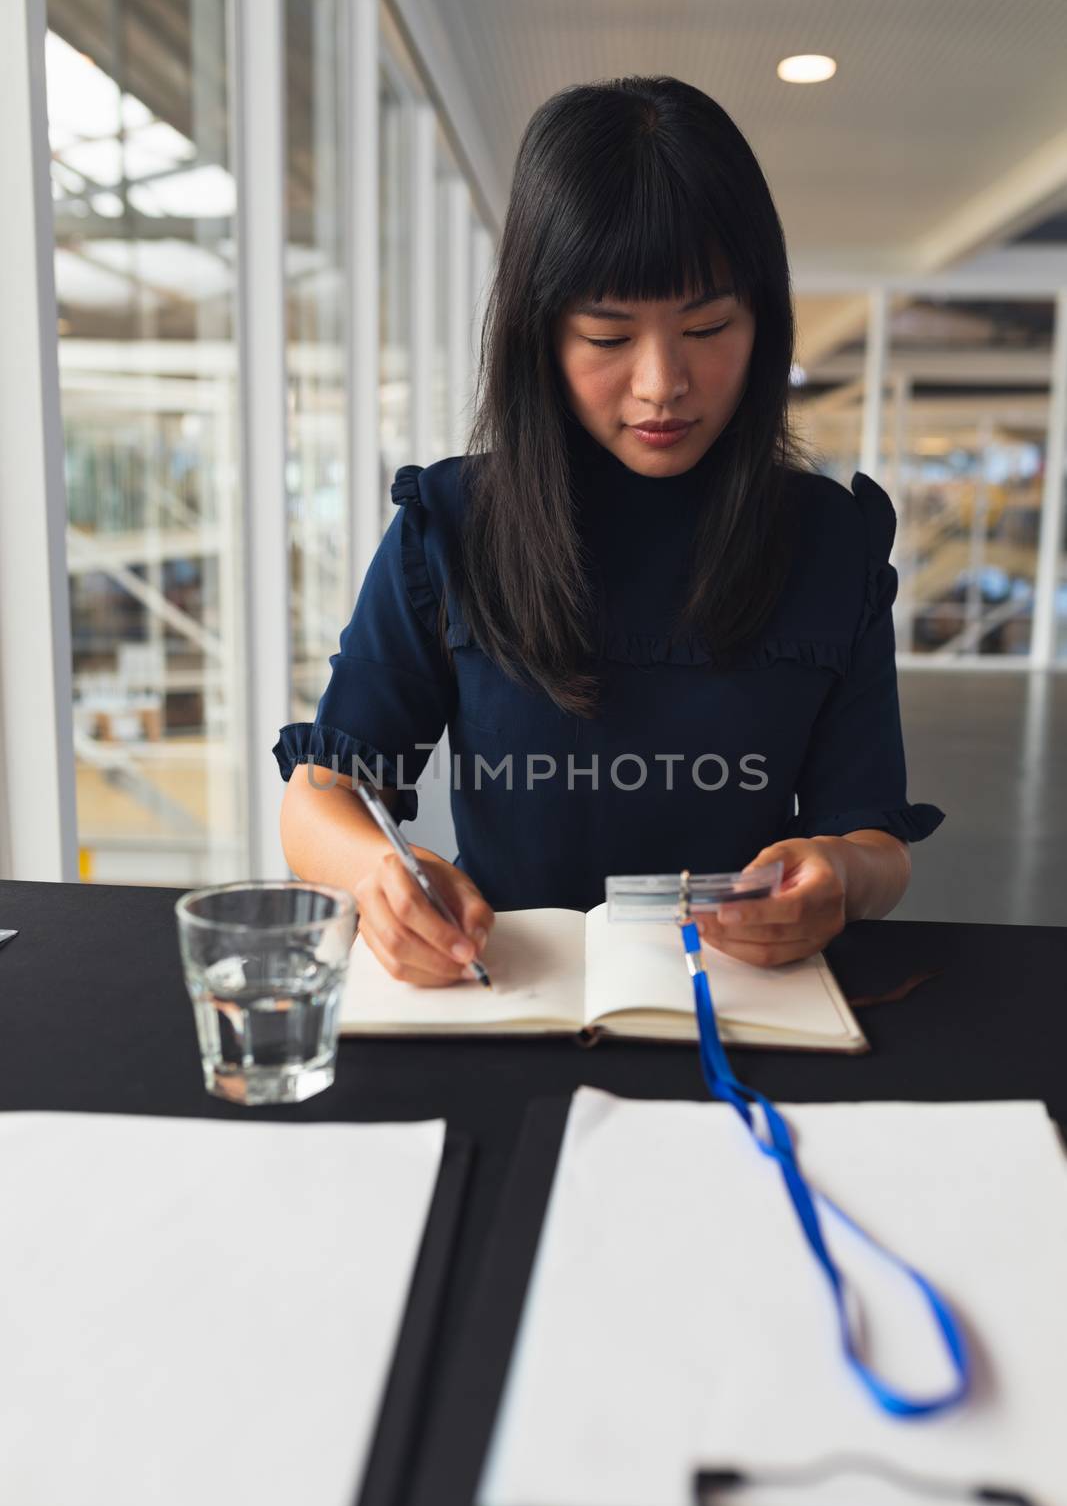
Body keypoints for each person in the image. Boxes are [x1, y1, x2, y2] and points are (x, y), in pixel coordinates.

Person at [274, 74, 944, 987]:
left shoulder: (829, 541)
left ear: (764, 321)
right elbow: (322, 791)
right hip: (506, 992)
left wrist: (841, 879)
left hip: (741, 998)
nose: (662, 382)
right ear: (538, 336)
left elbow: (871, 833)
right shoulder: (457, 526)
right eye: (606, 335)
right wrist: (377, 872)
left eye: (707, 326)